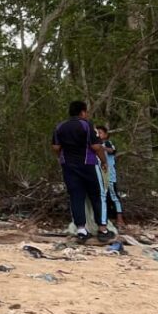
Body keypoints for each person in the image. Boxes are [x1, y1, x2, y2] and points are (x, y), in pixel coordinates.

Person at [51, 102, 112, 244]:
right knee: (98, 195)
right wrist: (103, 161)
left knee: (76, 197)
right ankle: (102, 229)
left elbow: (55, 147)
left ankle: (81, 230)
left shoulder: (60, 126)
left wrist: (64, 155)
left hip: (69, 166)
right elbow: (96, 146)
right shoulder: (86, 125)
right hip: (88, 164)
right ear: (83, 112)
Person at [96, 126, 123, 228]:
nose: (98, 134)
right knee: (103, 198)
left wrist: (103, 148)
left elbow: (112, 150)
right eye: (97, 133)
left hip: (110, 176)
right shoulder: (95, 145)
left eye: (100, 132)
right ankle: (105, 219)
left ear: (106, 135)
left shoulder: (107, 143)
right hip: (100, 176)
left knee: (114, 196)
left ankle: (120, 218)